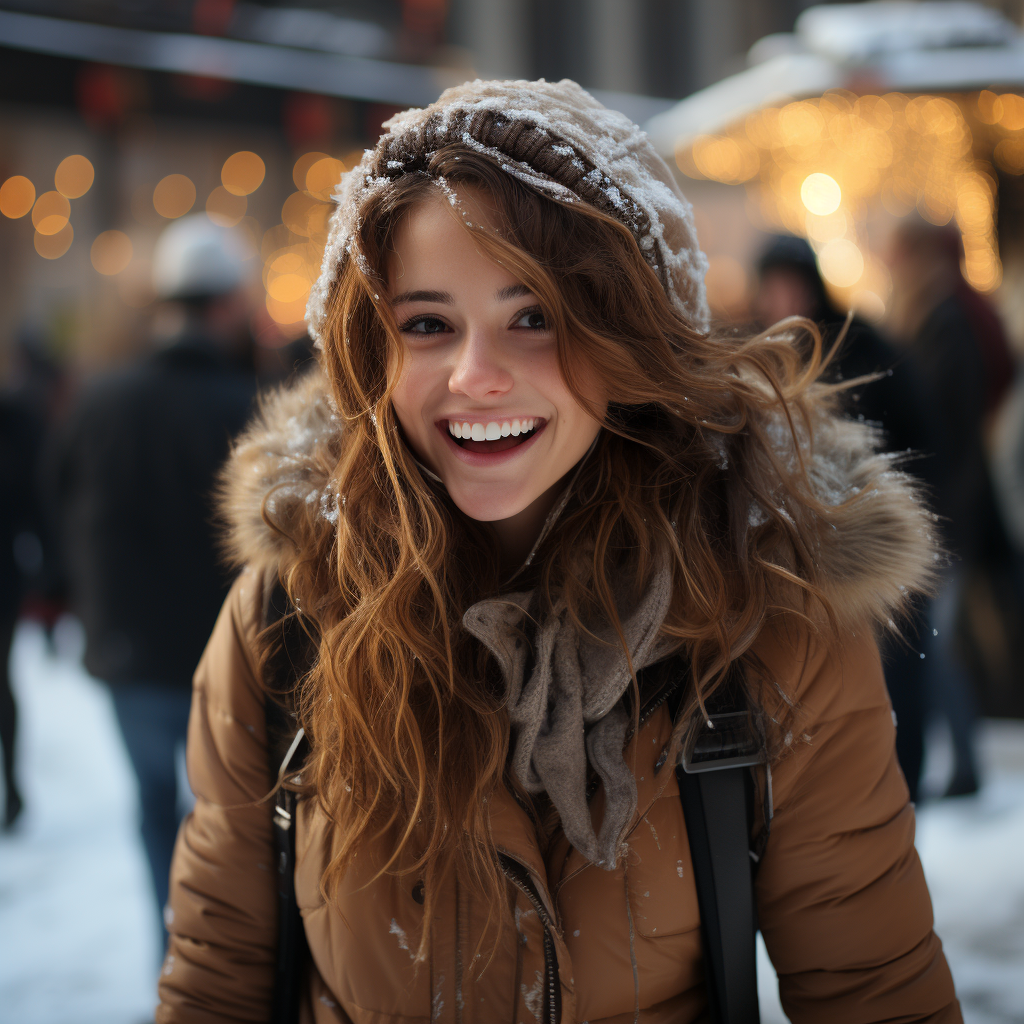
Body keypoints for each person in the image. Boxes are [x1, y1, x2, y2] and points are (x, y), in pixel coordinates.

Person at [158, 80, 960, 1022]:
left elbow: (876, 992)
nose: (475, 376)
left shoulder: (768, 617)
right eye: (426, 324)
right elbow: (218, 977)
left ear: (631, 337)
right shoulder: (287, 616)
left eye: (534, 315)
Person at [51, 216, 257, 943]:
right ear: (227, 304)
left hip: (127, 651)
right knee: (229, 820)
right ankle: (217, 963)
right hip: (225, 660)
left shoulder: (99, 402)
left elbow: (60, 508)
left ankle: (171, 954)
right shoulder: (247, 408)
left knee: (152, 805)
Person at [753, 234, 937, 801]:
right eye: (772, 284)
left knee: (898, 677)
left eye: (793, 282)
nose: (783, 296)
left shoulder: (864, 348)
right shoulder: (755, 351)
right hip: (793, 556)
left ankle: (904, 783)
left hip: (869, 541)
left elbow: (925, 442)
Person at [886, 216, 1013, 796]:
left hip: (950, 511)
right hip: (955, 505)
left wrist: (936, 517)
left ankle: (965, 764)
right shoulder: (944, 314)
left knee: (935, 645)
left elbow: (944, 428)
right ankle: (963, 760)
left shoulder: (945, 320)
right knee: (941, 643)